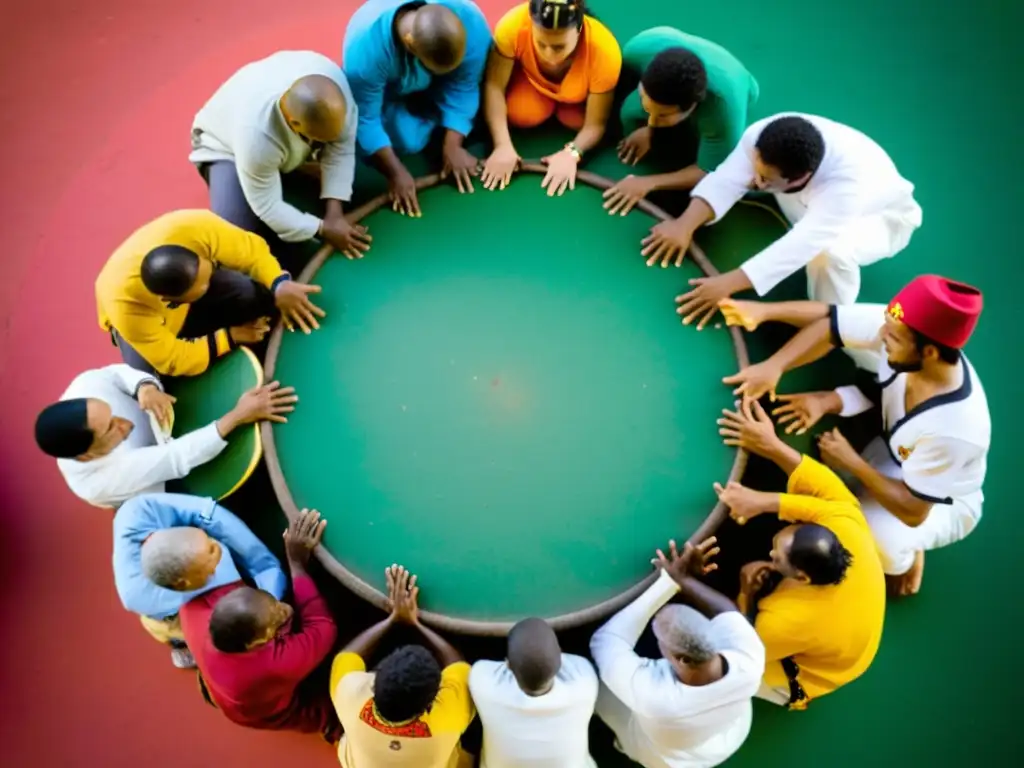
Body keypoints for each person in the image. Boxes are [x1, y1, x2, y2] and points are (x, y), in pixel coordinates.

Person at [718, 274, 989, 596]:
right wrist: (776, 366)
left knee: (874, 541)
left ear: (929, 353)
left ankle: (911, 555)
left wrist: (853, 462)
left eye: (894, 336)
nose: (881, 334)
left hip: (936, 501)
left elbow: (913, 511)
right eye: (886, 323)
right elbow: (831, 322)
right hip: (895, 453)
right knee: (842, 488)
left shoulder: (957, 431)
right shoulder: (905, 332)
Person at [641, 113, 922, 327]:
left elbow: (802, 244)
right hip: (802, 200)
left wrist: (726, 284)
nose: (755, 180)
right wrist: (684, 225)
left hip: (877, 220)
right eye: (756, 169)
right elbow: (727, 177)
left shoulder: (846, 189)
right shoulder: (764, 136)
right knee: (756, 182)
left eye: (765, 179)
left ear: (801, 178)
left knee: (830, 254)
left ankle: (827, 321)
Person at [717, 397, 886, 708]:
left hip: (809, 674)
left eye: (776, 557)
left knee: (731, 671)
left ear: (801, 577)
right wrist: (768, 453)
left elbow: (743, 646)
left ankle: (786, 697)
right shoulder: (846, 525)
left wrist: (745, 595)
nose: (770, 551)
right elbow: (823, 492)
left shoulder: (782, 620)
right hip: (848, 625)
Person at [591, 537, 764, 767]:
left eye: (659, 637)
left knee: (596, 684)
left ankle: (623, 744)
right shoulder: (750, 657)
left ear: (680, 659)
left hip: (669, 756)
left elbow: (605, 640)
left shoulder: (654, 698)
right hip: (726, 733)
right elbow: (727, 612)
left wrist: (667, 585)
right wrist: (683, 580)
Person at [190, 50, 373, 264]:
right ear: (295, 124)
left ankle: (294, 165)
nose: (326, 146)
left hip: (284, 138)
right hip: (223, 147)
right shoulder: (255, 136)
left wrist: (335, 212)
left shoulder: (335, 93)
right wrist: (322, 229)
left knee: (356, 180)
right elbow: (267, 205)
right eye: (320, 140)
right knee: (240, 236)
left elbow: (341, 148)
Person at [96, 209, 326, 377]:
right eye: (203, 287)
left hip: (183, 289)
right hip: (146, 325)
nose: (211, 283)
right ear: (171, 301)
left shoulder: (194, 227)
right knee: (147, 380)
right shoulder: (127, 308)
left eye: (209, 272)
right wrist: (229, 337)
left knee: (246, 289)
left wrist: (279, 284)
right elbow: (173, 358)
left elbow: (252, 252)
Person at [179, 509, 340, 740]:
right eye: (277, 616)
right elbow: (323, 627)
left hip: (222, 678)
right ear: (257, 641)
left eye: (275, 604)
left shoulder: (192, 610)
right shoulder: (275, 664)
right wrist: (296, 564)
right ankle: (329, 726)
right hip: (258, 708)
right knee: (321, 712)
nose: (288, 609)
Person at [34, 366, 296, 508]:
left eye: (113, 414)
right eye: (111, 430)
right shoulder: (101, 481)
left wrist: (144, 387)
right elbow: (177, 459)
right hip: (162, 482)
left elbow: (114, 375)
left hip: (161, 425)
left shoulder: (83, 387)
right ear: (88, 455)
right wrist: (239, 415)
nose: (125, 423)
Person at [343, 0, 491, 211]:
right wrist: (396, 173)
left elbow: (465, 84)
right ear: (410, 43)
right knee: (407, 141)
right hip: (391, 93)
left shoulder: (469, 20)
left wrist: (453, 145)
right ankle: (430, 118)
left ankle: (443, 123)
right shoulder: (364, 51)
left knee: (490, 90)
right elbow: (367, 118)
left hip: (441, 83)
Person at [112, 492, 287, 669]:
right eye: (211, 558)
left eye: (210, 543)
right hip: (167, 616)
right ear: (184, 584)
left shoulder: (137, 510)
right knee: (197, 634)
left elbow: (208, 514)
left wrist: (270, 581)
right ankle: (182, 646)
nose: (219, 550)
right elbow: (244, 611)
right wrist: (269, 608)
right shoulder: (142, 599)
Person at [603, 27, 759, 216]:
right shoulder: (637, 49)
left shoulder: (722, 107)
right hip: (667, 45)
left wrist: (648, 182)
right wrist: (648, 129)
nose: (652, 120)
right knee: (629, 111)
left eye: (663, 115)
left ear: (693, 107)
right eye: (646, 103)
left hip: (738, 81)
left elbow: (708, 170)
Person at [330, 565, 474, 767]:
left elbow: (347, 655)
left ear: (374, 682)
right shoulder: (447, 720)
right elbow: (458, 664)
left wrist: (392, 619)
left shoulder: (350, 695)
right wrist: (414, 623)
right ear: (431, 704)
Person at [480, 0, 622, 197]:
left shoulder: (604, 51)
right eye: (540, 44)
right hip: (532, 88)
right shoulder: (512, 26)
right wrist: (502, 145)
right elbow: (494, 86)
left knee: (576, 121)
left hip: (576, 101)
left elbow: (595, 124)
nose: (549, 55)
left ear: (579, 30)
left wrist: (572, 153)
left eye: (559, 47)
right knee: (521, 113)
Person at [469, 618, 598, 767]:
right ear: (562, 655)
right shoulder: (585, 684)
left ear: (508, 664)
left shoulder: (483, 685)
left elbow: (478, 667)